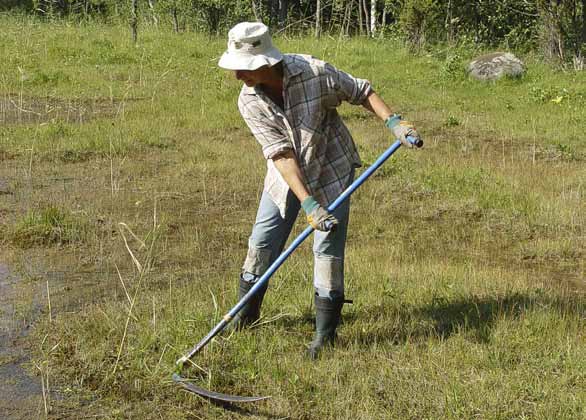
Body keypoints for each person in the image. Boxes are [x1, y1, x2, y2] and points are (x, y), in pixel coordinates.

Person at [218, 22, 421, 359]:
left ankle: (325, 334)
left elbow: (361, 91)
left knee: (327, 250)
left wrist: (393, 122)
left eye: (244, 68)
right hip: (286, 178)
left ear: (266, 61)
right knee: (261, 243)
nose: (238, 76)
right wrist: (308, 203)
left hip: (331, 169)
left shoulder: (314, 72)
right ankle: (246, 316)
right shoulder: (248, 100)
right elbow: (280, 154)